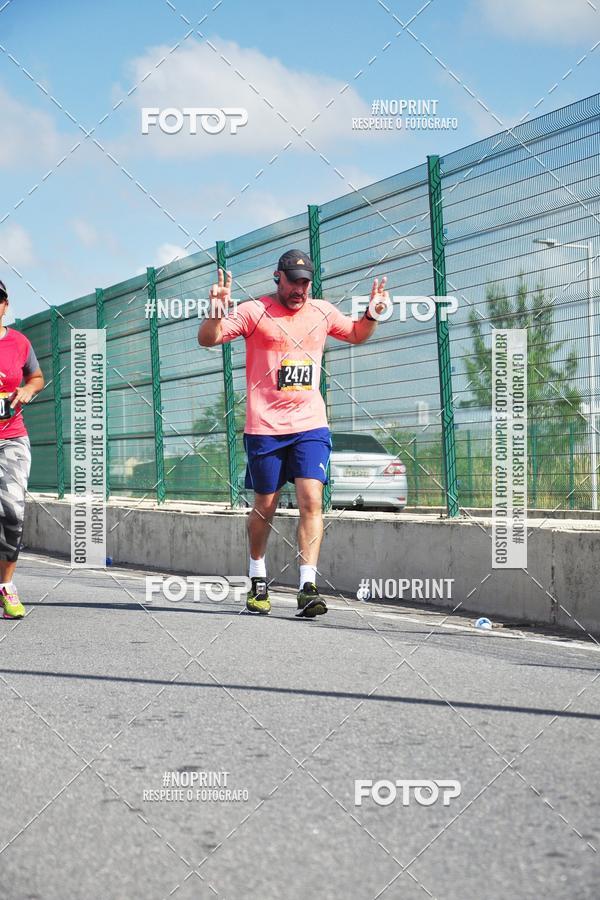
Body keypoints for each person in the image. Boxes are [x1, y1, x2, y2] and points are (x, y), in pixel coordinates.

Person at [198, 250, 388, 618]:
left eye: (305, 282)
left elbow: (356, 334)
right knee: (265, 506)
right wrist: (216, 310)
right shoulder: (255, 311)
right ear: (278, 278)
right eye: (294, 282)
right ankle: (257, 577)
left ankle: (307, 587)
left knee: (311, 500)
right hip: (265, 428)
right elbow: (209, 338)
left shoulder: (322, 311)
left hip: (310, 424)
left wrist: (372, 313)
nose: (300, 289)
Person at [0, 280, 44, 618]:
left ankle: (6, 586)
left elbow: (36, 377)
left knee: (12, 513)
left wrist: (29, 389)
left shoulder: (19, 342)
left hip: (12, 437)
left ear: (5, 305)